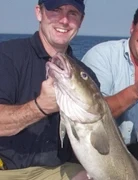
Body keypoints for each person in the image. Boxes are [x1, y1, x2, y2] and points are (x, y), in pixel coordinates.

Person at [0, 0, 99, 179]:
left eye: (73, 13)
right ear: (39, 12)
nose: (64, 20)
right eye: (56, 10)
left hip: (58, 171)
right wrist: (40, 107)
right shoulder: (6, 55)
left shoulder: (87, 77)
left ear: (81, 21)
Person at [81, 1, 138, 169]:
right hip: (97, 153)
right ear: (132, 27)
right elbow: (90, 115)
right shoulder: (102, 56)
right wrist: (137, 91)